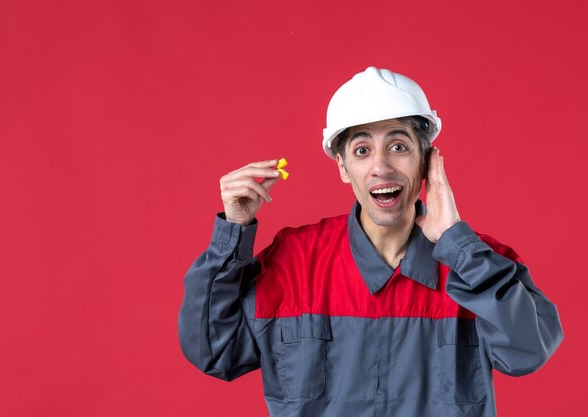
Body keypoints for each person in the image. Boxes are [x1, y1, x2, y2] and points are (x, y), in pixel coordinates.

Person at [178, 67, 563, 417]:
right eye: (362, 151)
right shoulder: (295, 261)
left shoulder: (478, 262)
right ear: (344, 167)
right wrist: (233, 230)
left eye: (399, 147)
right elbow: (215, 352)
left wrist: (457, 245)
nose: (381, 166)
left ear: (427, 160)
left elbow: (527, 351)